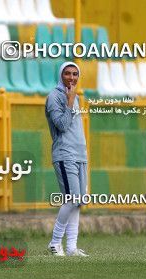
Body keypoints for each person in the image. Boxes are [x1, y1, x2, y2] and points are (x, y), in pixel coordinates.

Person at [45, 61, 89, 257]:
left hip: (79, 154)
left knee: (78, 201)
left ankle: (71, 247)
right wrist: (70, 101)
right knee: (71, 199)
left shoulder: (76, 97)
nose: (71, 78)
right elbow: (62, 125)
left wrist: (73, 99)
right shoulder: (54, 96)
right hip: (65, 153)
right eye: (67, 74)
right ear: (60, 76)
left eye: (75, 74)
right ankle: (55, 243)